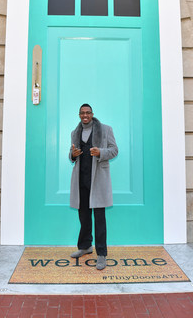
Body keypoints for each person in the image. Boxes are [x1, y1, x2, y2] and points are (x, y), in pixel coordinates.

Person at [69, 104, 118, 270]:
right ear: (79, 115)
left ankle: (102, 254)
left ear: (92, 114)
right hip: (81, 180)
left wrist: (101, 153)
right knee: (83, 217)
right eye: (82, 113)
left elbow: (114, 150)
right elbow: (72, 155)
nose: (85, 115)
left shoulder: (105, 130)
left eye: (88, 112)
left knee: (99, 219)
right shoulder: (75, 133)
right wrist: (72, 156)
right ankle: (85, 246)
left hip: (98, 181)